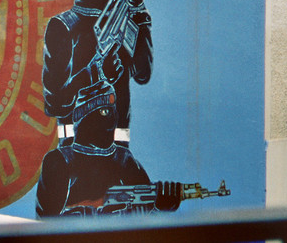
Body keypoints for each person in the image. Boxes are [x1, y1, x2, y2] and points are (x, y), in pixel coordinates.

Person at [42, 0, 153, 147]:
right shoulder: (63, 27)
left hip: (119, 150)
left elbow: (143, 73)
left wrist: (137, 6)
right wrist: (96, 73)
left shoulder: (123, 21)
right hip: (72, 150)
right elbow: (55, 103)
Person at [35, 79, 181, 217]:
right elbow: (46, 222)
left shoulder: (124, 159)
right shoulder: (59, 161)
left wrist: (162, 205)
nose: (114, 118)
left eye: (113, 110)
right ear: (85, 118)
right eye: (104, 111)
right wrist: (100, 213)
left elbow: (147, 216)